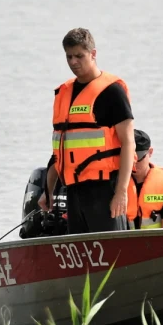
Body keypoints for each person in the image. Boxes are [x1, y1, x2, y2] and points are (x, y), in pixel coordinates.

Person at [40, 27, 135, 235]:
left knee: (112, 253)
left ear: (93, 54)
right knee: (83, 255)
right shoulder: (64, 93)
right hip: (74, 191)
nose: (73, 62)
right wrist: (48, 190)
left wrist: (121, 192)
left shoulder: (111, 92)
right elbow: (61, 149)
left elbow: (129, 143)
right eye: (69, 57)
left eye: (79, 56)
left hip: (105, 189)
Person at [126, 129, 163, 229]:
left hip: (155, 243)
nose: (134, 163)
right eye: (129, 158)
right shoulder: (115, 184)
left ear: (150, 152)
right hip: (123, 243)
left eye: (138, 158)